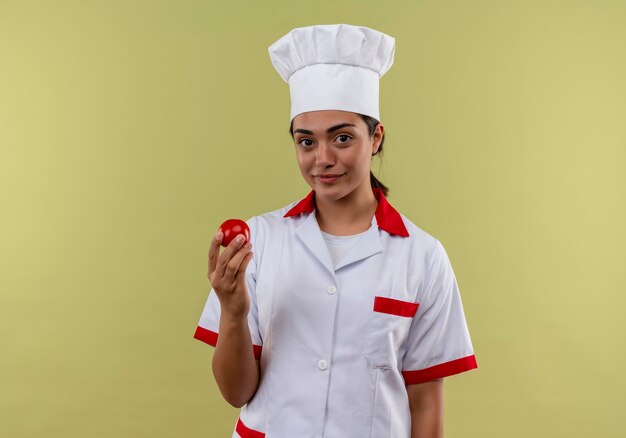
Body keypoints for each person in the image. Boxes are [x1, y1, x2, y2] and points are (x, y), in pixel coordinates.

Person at [193, 24, 478, 438]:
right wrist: (233, 313)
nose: (322, 159)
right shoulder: (260, 241)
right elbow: (236, 393)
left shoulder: (423, 257)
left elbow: (426, 403)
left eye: (342, 138)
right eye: (306, 142)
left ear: (375, 137)